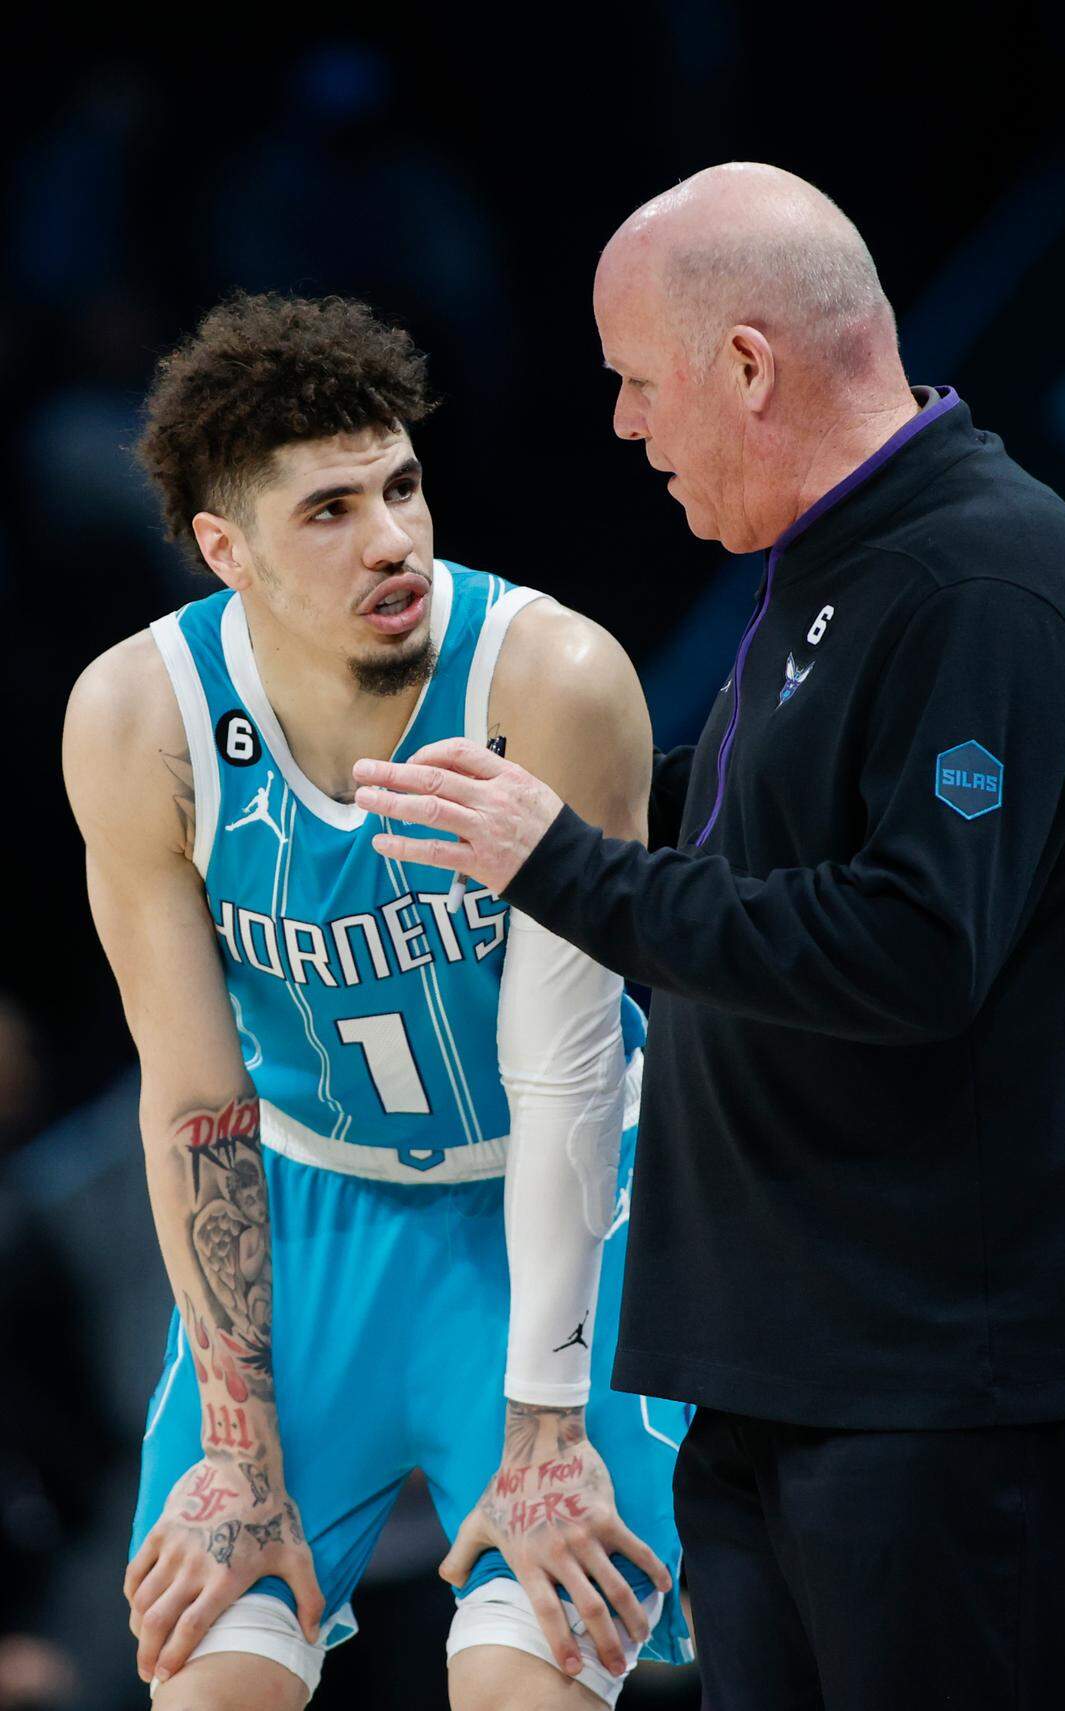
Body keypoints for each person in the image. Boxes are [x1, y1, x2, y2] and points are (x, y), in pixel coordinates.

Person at [353, 164, 1065, 1709]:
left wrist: (566, 867)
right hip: (793, 1368)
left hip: (943, 1389)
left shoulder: (983, 580)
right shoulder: (835, 565)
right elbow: (730, 848)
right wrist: (506, 816)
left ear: (748, 365)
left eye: (640, 384)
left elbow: (913, 948)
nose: (630, 427)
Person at [62, 291, 690, 1711]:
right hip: (304, 1217)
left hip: (557, 1213)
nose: (395, 538)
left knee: (527, 1679)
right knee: (208, 1674)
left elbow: (570, 1076)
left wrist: (545, 1433)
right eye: (330, 511)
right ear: (225, 548)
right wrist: (235, 1443)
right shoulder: (138, 719)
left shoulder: (557, 680)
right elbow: (195, 1095)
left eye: (401, 485)